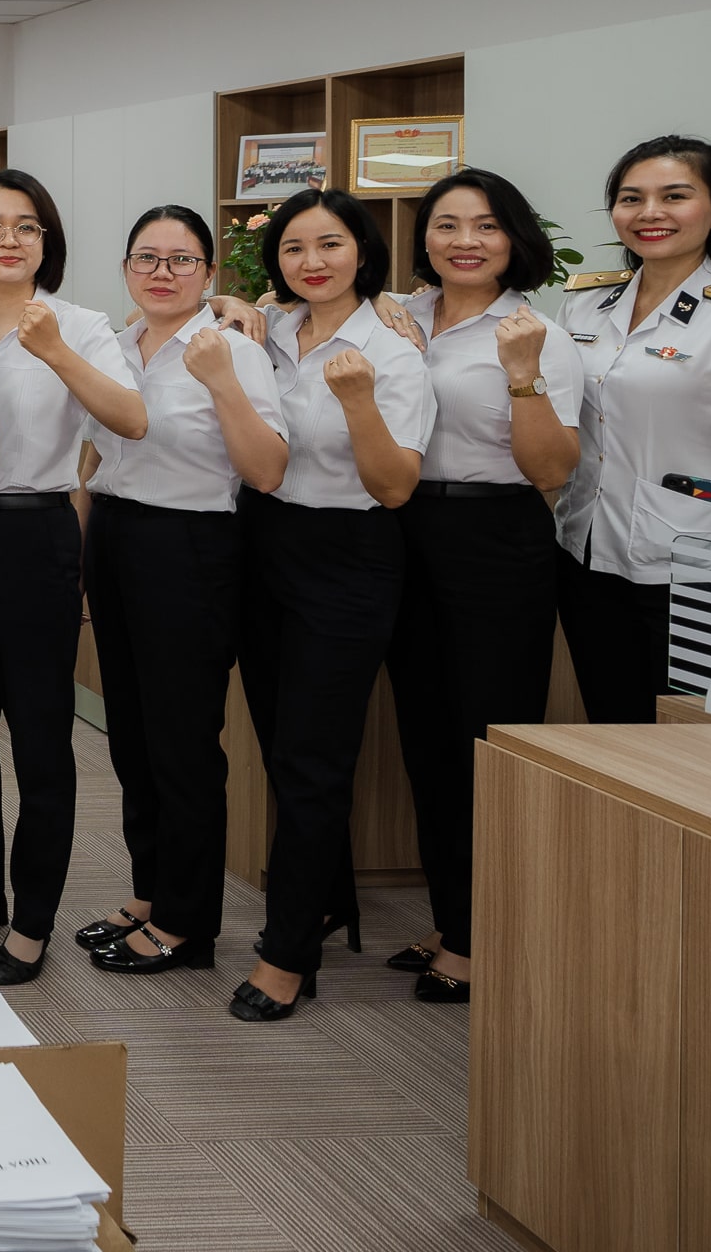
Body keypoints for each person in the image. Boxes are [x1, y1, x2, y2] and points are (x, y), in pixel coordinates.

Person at [374, 169, 581, 1005]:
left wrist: (523, 373)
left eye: (487, 225)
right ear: (423, 236)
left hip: (494, 535)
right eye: (447, 224)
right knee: (426, 736)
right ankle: (454, 917)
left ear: (514, 238)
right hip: (402, 528)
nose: (466, 241)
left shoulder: (536, 333)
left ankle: (481, 936)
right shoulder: (396, 313)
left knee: (486, 740)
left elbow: (552, 470)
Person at [231, 188, 434, 1024]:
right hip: (263, 543)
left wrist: (357, 402)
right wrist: (235, 305)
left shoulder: (392, 349)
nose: (312, 262)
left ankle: (287, 955)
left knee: (315, 760)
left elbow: (395, 487)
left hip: (350, 554)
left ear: (364, 252)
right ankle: (322, 902)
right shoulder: (271, 331)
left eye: (331, 245)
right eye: (293, 248)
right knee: (283, 750)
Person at [0, 170, 144, 988]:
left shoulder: (81, 326)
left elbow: (130, 419)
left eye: (27, 226)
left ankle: (32, 919)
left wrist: (54, 349)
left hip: (33, 534)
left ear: (46, 243)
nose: (9, 240)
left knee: (38, 737)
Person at [79, 206, 288, 980]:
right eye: (147, 258)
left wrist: (222, 381)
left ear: (209, 272)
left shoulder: (233, 347)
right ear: (126, 269)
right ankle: (151, 891)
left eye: (181, 259)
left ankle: (187, 921)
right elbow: (96, 460)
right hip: (116, 536)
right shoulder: (114, 344)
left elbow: (267, 468)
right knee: (131, 737)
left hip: (191, 545)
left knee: (181, 741)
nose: (162, 272)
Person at [555, 135, 711, 723]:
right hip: (585, 553)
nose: (650, 213)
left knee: (694, 749)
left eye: (674, 196)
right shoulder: (585, 304)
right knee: (614, 733)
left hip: (697, 567)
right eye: (631, 198)